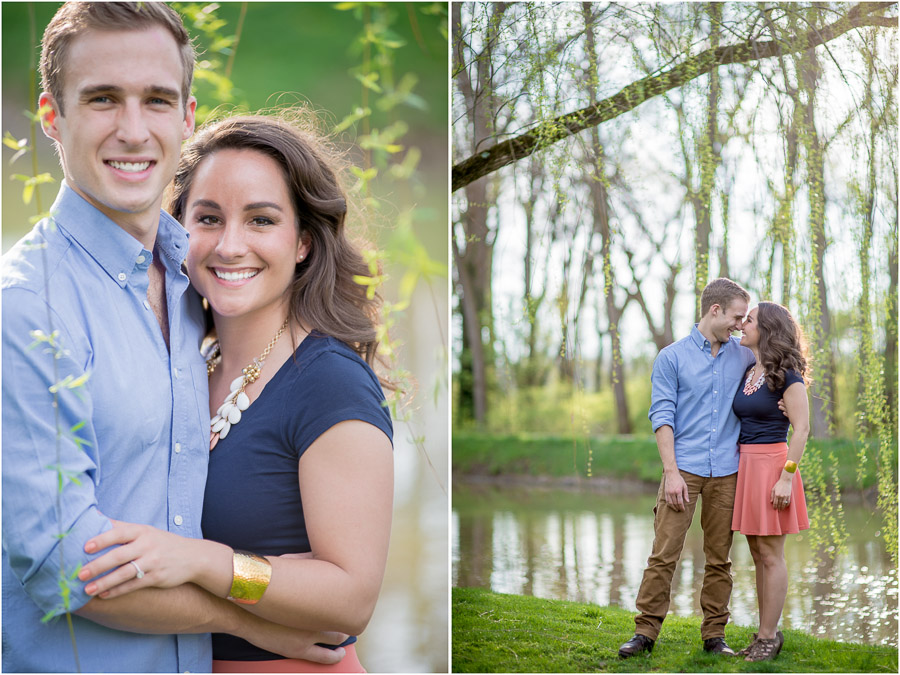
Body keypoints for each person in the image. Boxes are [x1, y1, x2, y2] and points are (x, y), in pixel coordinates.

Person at [2, 4, 346, 671]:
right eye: (103, 99)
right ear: (52, 116)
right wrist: (247, 619)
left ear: (186, 118)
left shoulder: (197, 284)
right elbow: (63, 565)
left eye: (156, 100)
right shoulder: (28, 309)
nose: (133, 131)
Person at [76, 113, 395, 673]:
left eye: (260, 220)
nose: (229, 245)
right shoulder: (185, 366)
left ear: (302, 242)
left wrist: (204, 562)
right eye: (208, 218)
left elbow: (352, 597)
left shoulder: (328, 383)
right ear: (177, 232)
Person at [618, 277, 755, 658]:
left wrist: (783, 405)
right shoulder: (671, 357)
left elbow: (770, 382)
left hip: (727, 473)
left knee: (720, 558)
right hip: (684, 470)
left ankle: (715, 636)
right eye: (736, 317)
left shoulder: (744, 356)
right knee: (664, 554)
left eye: (745, 319)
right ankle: (645, 632)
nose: (740, 325)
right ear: (715, 310)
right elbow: (662, 416)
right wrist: (671, 471)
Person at [730, 302, 810, 661]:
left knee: (772, 555)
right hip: (746, 466)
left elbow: (802, 429)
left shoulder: (788, 374)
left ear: (768, 329)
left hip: (774, 467)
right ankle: (764, 632)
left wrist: (786, 478)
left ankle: (767, 637)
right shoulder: (750, 369)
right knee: (757, 553)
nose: (742, 324)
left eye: (749, 320)